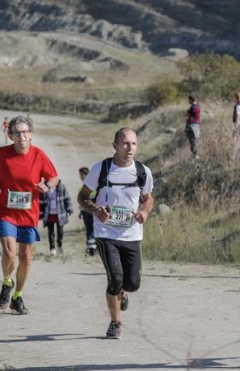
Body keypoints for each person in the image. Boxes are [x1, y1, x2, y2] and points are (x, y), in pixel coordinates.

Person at [77, 127, 154, 339]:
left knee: (133, 284)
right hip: (105, 233)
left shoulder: (142, 171)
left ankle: (123, 291)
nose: (130, 148)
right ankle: (115, 323)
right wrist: (95, 210)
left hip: (132, 234)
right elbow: (82, 198)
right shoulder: (101, 169)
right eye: (125, 143)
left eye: (134, 144)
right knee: (115, 278)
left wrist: (145, 212)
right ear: (115, 146)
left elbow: (148, 198)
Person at [0, 115, 59, 315]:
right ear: (11, 135)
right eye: (17, 133)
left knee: (26, 258)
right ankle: (7, 282)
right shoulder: (1, 154)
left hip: (28, 214)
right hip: (5, 212)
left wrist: (46, 185)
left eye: (25, 132)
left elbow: (54, 177)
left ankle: (17, 296)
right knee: (9, 253)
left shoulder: (39, 155)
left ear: (31, 135)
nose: (22, 136)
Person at [39, 180, 74, 255]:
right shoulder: (44, 187)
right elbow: (41, 201)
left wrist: (69, 208)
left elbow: (67, 198)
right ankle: (52, 249)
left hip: (60, 213)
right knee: (50, 232)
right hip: (49, 213)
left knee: (60, 231)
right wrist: (40, 214)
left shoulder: (61, 186)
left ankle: (59, 246)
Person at [78, 167, 97, 256]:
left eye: (81, 175)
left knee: (91, 230)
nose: (80, 177)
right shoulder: (83, 186)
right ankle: (91, 247)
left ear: (86, 175)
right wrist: (80, 212)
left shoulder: (92, 186)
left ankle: (91, 248)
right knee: (89, 230)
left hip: (91, 210)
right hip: (85, 211)